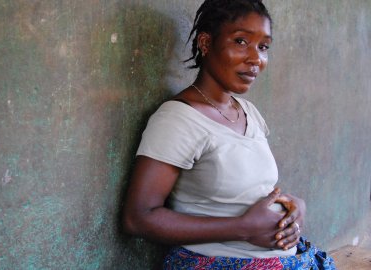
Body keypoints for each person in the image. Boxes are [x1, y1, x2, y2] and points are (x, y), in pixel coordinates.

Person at [122, 0, 336, 269]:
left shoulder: (247, 112)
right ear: (206, 43)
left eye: (263, 46)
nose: (256, 58)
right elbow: (138, 218)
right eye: (241, 41)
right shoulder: (178, 119)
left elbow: (249, 190)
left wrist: (296, 207)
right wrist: (242, 228)